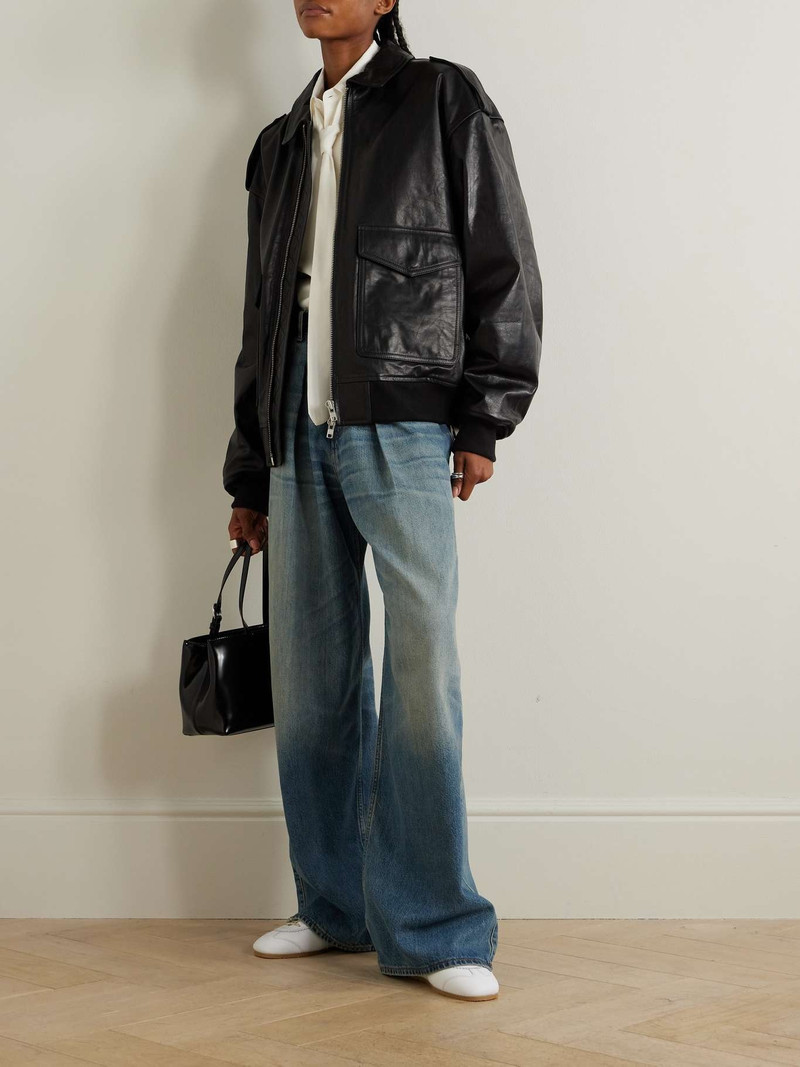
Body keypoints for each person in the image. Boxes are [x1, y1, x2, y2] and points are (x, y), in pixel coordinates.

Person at [223, 0, 542, 1002]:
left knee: (419, 667)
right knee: (312, 675)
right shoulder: (279, 141)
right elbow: (262, 313)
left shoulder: (442, 98)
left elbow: (500, 258)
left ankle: (437, 926)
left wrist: (484, 416)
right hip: (293, 424)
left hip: (402, 420)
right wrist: (248, 469)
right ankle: (334, 905)